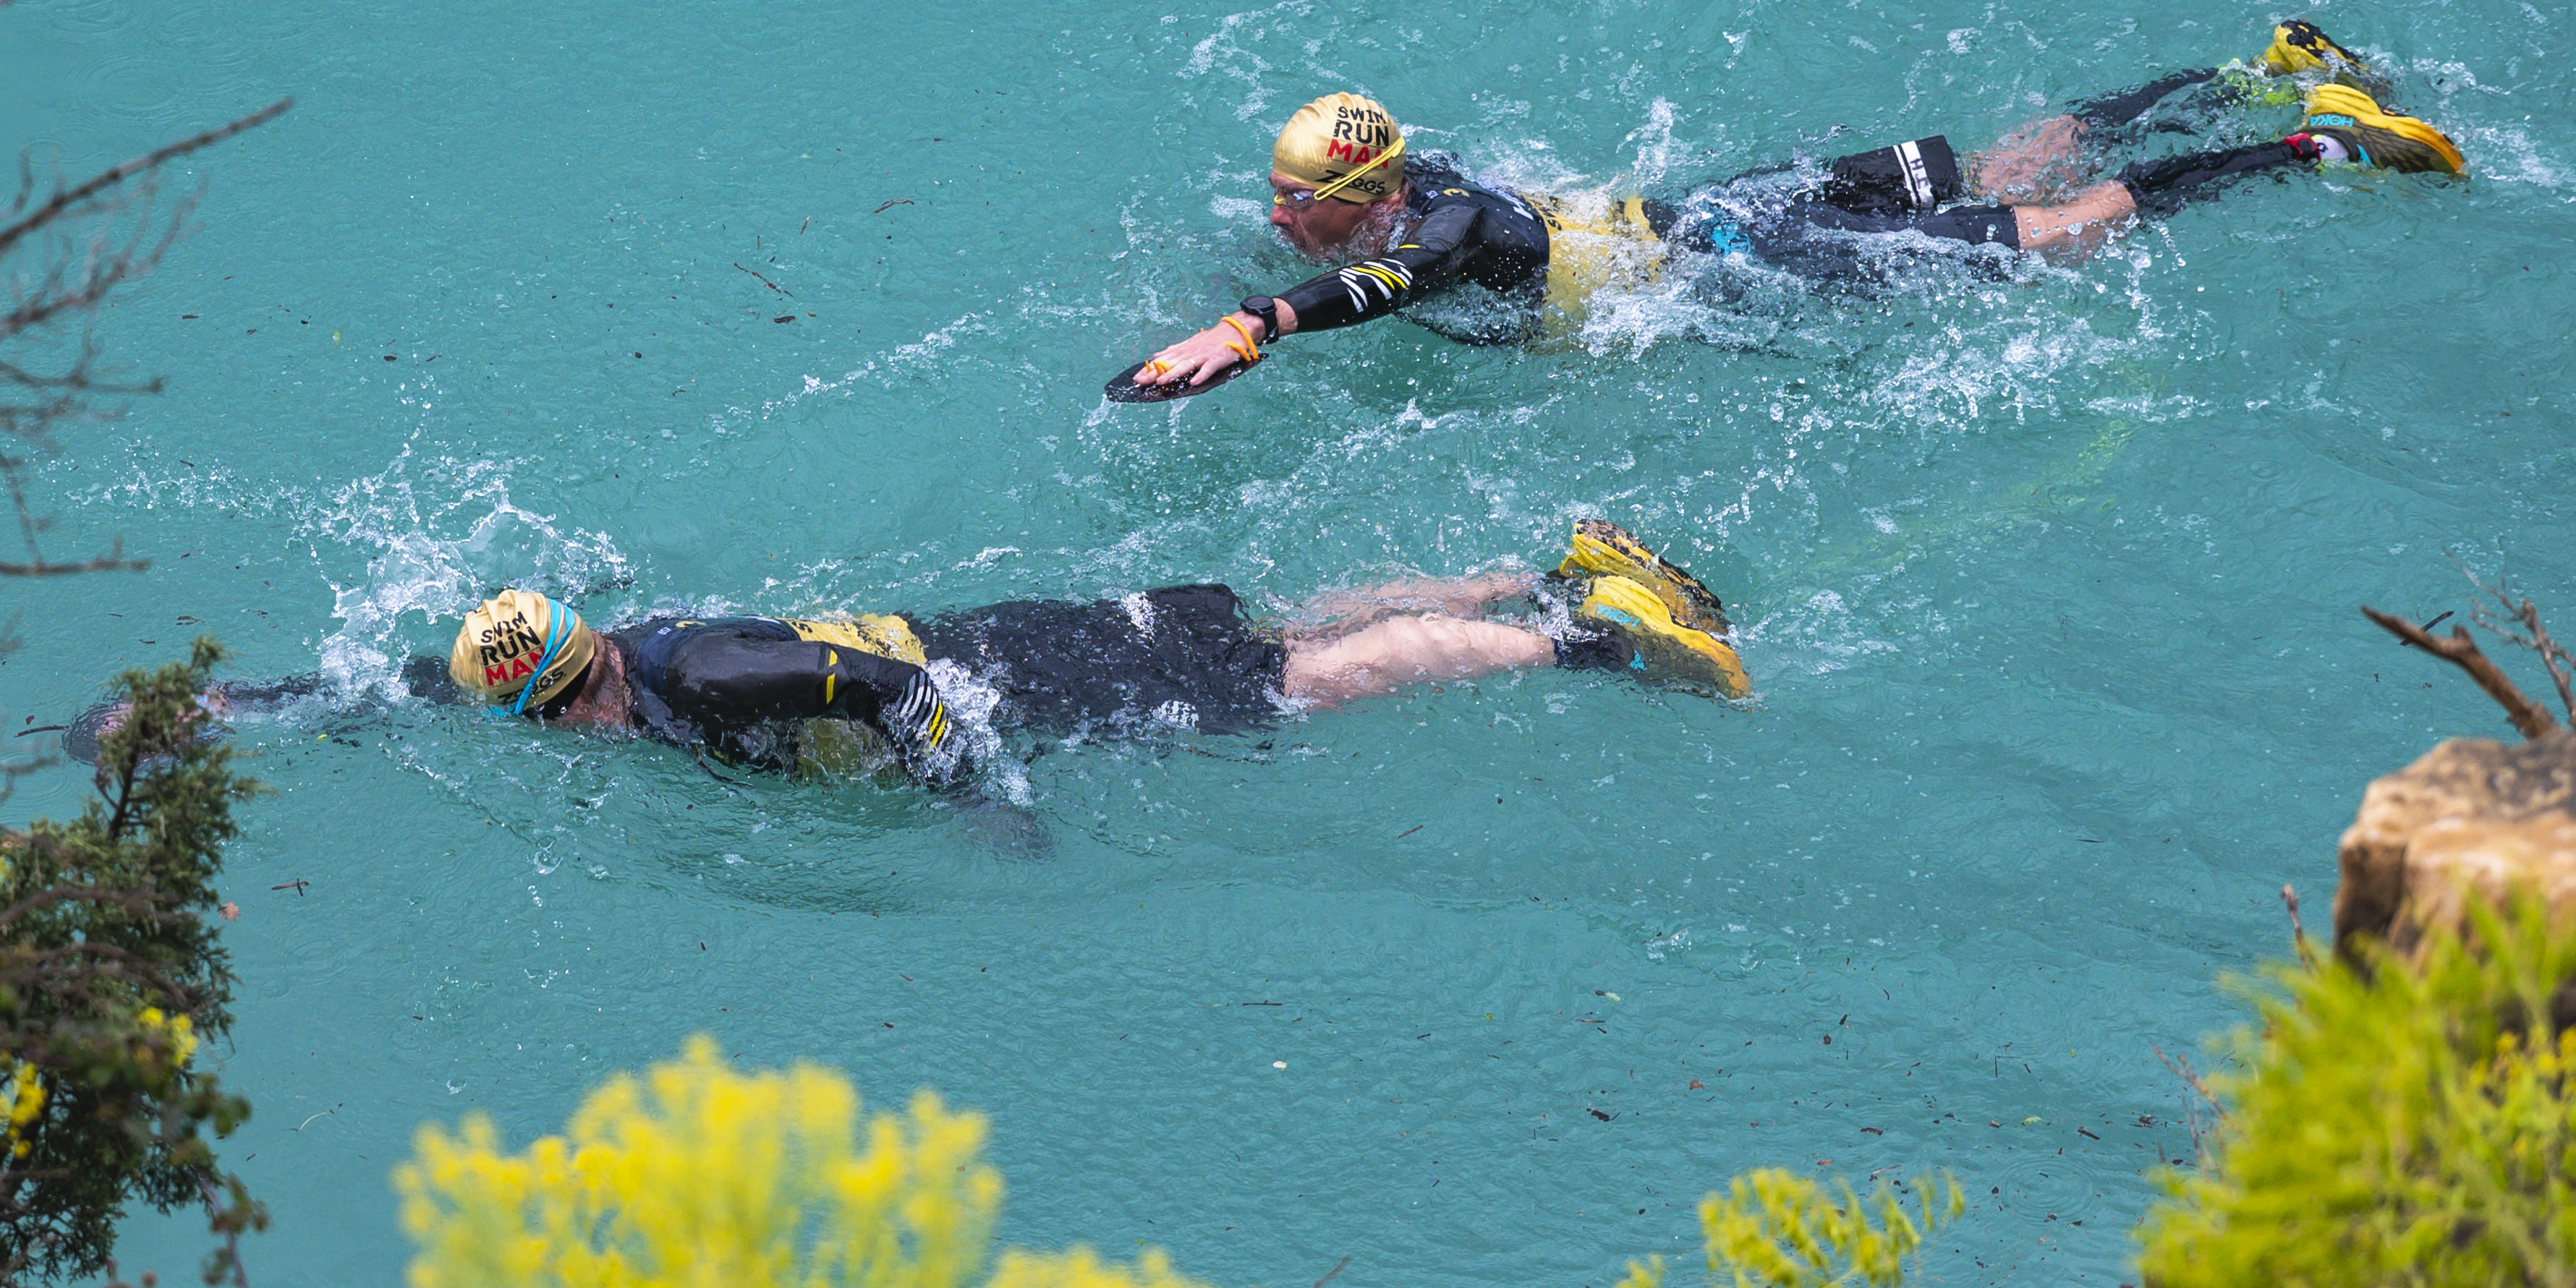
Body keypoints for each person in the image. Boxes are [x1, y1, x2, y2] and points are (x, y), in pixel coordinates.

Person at [1115, 21, 2466, 399]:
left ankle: (2307, 141)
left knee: (2053, 233)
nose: (1274, 217)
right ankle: (2255, 65)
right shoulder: (1423, 177)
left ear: (1364, 199)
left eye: (1296, 204)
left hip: (1740, 254)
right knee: (2006, 161)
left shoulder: (1443, 234)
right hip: (1702, 211)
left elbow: (1381, 292)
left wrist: (1256, 325)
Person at [167, 519, 1739, 793]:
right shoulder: (563, 659)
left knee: (1289, 685)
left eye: (564, 704)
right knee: (1264, 631)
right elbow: (399, 685)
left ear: (587, 674)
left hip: (997, 678)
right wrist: (230, 707)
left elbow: (911, 699)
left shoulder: (704, 678)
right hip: (996, 636)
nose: (565, 723)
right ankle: (1548, 562)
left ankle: (1571, 635)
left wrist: (976, 793)